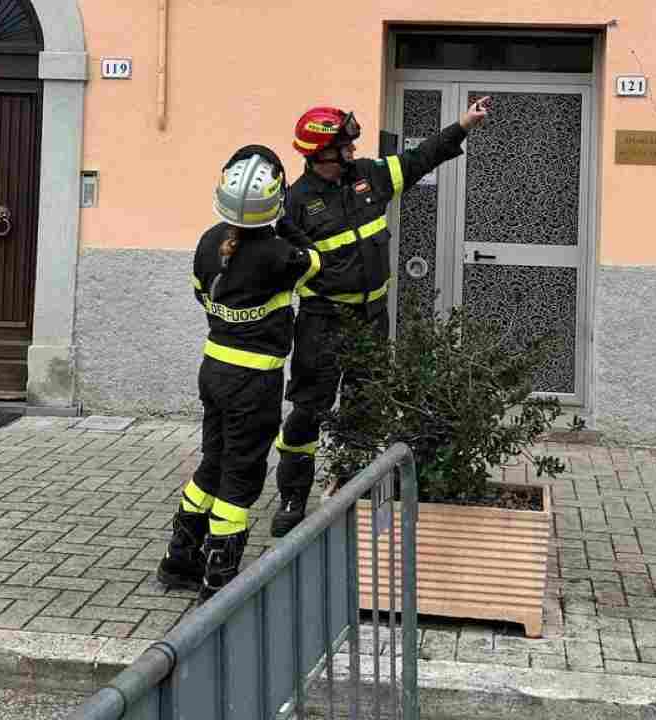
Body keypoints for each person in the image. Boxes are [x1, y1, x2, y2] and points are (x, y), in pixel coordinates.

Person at [270, 97, 493, 537]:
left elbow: (419, 158)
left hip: (372, 318)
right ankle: (293, 496)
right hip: (322, 321)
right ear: (321, 154)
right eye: (344, 146)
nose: (353, 151)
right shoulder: (294, 204)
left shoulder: (370, 176)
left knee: (365, 406)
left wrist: (463, 124)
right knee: (307, 413)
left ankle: (351, 485)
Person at [157, 145, 321, 602]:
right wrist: (286, 218)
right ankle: (219, 580)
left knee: (212, 460)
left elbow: (198, 294)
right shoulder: (279, 254)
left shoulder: (209, 240)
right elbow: (316, 262)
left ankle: (179, 559)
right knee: (241, 478)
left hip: (213, 370)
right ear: (275, 199)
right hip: (254, 383)